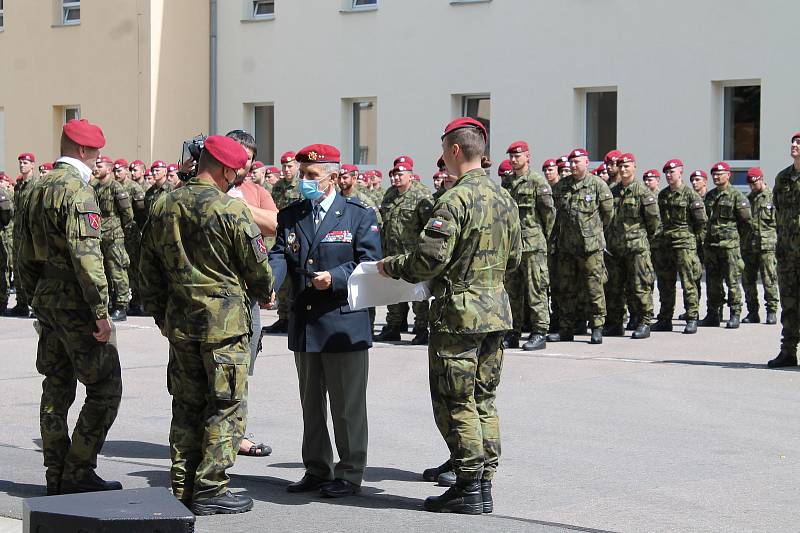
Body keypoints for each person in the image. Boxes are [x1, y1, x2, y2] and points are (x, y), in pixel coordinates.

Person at [379, 117, 521, 514]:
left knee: (455, 400)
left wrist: (390, 266)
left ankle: (467, 485)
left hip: (458, 316)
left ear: (455, 150)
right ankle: (483, 483)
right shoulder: (504, 198)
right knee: (483, 399)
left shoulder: (454, 200)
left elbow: (426, 260)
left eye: (443, 150)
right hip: (495, 311)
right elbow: (515, 258)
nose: (442, 157)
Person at [139, 135, 273, 515]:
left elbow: (146, 268)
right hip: (225, 327)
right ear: (227, 170)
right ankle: (211, 488)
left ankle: (182, 485)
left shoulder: (165, 203)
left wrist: (160, 314)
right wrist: (267, 292)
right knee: (225, 405)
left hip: (181, 323)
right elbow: (258, 269)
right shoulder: (230, 210)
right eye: (237, 173)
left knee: (185, 406)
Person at [268, 143, 380, 499]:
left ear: (333, 177)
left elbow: (371, 263)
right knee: (311, 404)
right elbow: (279, 255)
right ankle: (317, 467)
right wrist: (267, 283)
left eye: (312, 176)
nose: (304, 181)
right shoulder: (291, 215)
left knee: (346, 405)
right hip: (306, 321)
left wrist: (337, 277)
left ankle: (349, 472)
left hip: (343, 323)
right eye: (302, 175)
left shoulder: (359, 215)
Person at [17, 118, 122, 496]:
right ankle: (78, 470)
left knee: (56, 386)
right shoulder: (78, 190)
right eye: (95, 152)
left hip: (47, 300)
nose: (98, 159)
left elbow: (22, 251)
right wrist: (100, 311)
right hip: (76, 304)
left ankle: (55, 472)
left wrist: (34, 298)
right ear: (81, 150)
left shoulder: (35, 188)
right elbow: (87, 255)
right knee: (106, 388)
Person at [224, 129, 279, 459]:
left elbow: (274, 223)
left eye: (247, 158)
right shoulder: (200, 189)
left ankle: (236, 433)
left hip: (247, 294)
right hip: (213, 295)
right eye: (237, 155)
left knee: (242, 369)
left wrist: (237, 208)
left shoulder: (255, 191)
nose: (242, 163)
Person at [547, 149, 614, 344]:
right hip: (566, 247)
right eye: (572, 162)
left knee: (594, 287)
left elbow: (607, 215)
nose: (574, 165)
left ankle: (597, 326)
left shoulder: (597, 186)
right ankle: (566, 328)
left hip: (590, 247)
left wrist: (594, 232)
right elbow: (555, 214)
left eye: (578, 162)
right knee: (567, 289)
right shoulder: (561, 187)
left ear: (586, 163)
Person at [502, 141, 555, 350]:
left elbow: (549, 215)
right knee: (512, 292)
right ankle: (512, 333)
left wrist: (541, 237)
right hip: (512, 247)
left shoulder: (537, 182)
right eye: (511, 157)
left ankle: (539, 332)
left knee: (536, 290)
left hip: (533, 246)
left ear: (527, 156)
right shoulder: (507, 183)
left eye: (518, 156)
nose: (514, 160)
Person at [375, 159, 433, 344]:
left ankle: (422, 329)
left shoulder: (421, 195)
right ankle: (393, 326)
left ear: (410, 174)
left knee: (416, 294)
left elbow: (428, 226)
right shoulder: (390, 194)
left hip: (412, 254)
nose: (396, 178)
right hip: (392, 252)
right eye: (393, 174)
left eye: (400, 174)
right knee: (393, 291)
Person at [603, 153, 659, 339]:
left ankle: (644, 322)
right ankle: (616, 323)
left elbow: (653, 222)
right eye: (621, 166)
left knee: (640, 285)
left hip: (637, 248)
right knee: (615, 287)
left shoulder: (643, 192)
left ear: (634, 167)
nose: (624, 169)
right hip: (615, 248)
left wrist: (641, 239)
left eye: (627, 166)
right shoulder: (613, 191)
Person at [651, 159, 706, 334]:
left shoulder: (691, 195)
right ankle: (665, 318)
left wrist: (692, 242)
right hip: (666, 244)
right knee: (665, 283)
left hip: (684, 244)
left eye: (672, 172)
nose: (669, 175)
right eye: (666, 172)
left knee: (688, 282)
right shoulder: (663, 195)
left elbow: (701, 223)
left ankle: (691, 317)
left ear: (680, 173)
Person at [700, 162, 752, 329]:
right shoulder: (709, 196)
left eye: (720, 174)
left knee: (732, 281)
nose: (716, 176)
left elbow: (746, 223)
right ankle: (713, 314)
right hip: (711, 246)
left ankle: (735, 313)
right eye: (714, 174)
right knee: (712, 281)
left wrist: (736, 241)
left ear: (728, 175)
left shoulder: (737, 196)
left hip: (730, 246)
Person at [769, 132, 800, 368]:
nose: (794, 145)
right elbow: (778, 212)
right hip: (787, 253)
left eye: (799, 142)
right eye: (793, 141)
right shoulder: (783, 178)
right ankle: (788, 351)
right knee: (789, 303)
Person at [91, 155, 134, 321]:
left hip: (114, 236)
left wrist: (122, 232)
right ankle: (107, 303)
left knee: (118, 271)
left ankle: (121, 305)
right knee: (103, 273)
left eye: (100, 165)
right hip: (99, 236)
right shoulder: (94, 187)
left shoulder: (116, 188)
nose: (96, 168)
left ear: (108, 169)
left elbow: (127, 214)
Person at [263, 151, 302, 334]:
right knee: (283, 281)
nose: (286, 169)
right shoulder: (277, 187)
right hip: (280, 234)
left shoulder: (302, 186)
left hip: (296, 235)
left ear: (296, 166)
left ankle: (295, 317)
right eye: (284, 166)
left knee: (295, 279)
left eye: (290, 166)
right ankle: (283, 317)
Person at [740, 167, 778, 325]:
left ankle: (771, 311)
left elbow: (780, 221)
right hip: (750, 245)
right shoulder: (748, 199)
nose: (752, 186)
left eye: (755, 183)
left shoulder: (773, 197)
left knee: (769, 279)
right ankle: (753, 312)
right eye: (750, 184)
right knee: (748, 280)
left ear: (761, 179)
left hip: (767, 245)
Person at [113, 158, 148, 316]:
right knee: (120, 267)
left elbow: (140, 212)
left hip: (132, 233)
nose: (116, 173)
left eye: (119, 170)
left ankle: (136, 302)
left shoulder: (134, 188)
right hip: (117, 233)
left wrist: (138, 230)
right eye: (115, 170)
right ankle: (121, 301)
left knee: (135, 268)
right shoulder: (115, 186)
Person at [8, 152, 37, 317]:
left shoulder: (36, 184)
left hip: (30, 232)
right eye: (20, 162)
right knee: (18, 267)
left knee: (30, 268)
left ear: (32, 165)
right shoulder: (18, 185)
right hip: (18, 232)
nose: (22, 165)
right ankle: (21, 303)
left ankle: (34, 305)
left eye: (25, 162)